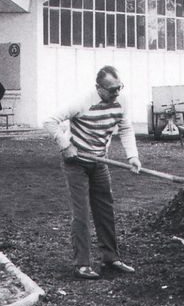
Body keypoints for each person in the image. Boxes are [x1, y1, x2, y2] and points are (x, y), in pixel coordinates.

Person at [44, 65, 142, 280]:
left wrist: (132, 156)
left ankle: (111, 257)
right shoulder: (82, 102)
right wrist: (65, 145)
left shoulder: (121, 102)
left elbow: (125, 128)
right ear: (98, 88)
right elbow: (50, 121)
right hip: (76, 162)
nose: (116, 93)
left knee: (105, 208)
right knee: (81, 213)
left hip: (99, 162)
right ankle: (82, 264)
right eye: (111, 90)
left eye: (119, 87)